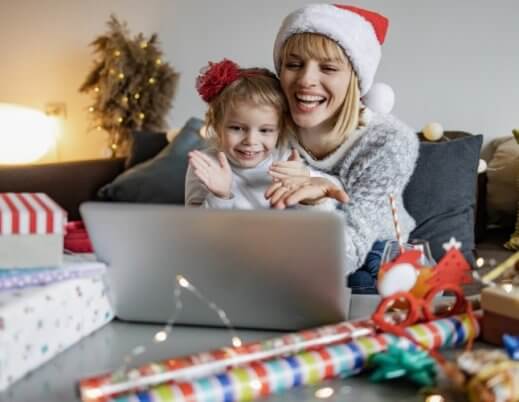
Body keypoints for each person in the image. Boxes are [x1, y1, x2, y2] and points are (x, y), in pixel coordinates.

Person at [266, 4, 420, 293]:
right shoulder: (264, 126)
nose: (306, 80)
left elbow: (345, 255)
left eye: (328, 68)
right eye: (294, 64)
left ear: (355, 78)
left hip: (370, 255)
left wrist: (317, 200)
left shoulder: (388, 142)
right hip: (287, 249)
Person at [185, 59, 337, 208]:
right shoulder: (205, 164)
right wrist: (220, 196)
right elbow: (193, 227)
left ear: (280, 130)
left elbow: (326, 207)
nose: (251, 141)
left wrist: (305, 189)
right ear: (218, 126)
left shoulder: (286, 161)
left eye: (265, 130)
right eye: (237, 128)